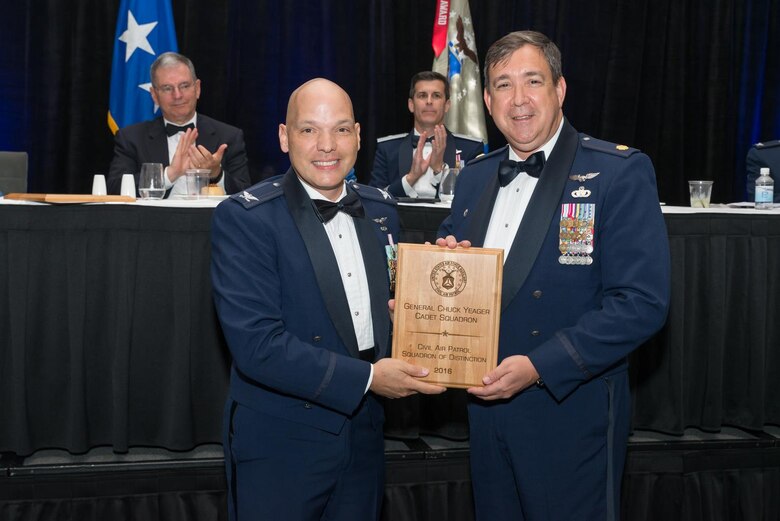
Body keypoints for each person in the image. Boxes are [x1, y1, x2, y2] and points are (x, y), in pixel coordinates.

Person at [437, 31, 671, 520]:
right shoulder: (476, 178)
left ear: (559, 90)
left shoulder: (617, 172)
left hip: (569, 410)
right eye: (502, 85)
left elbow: (641, 302)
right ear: (486, 99)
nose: (518, 99)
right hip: (484, 412)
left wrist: (541, 366)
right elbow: (451, 278)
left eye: (532, 81)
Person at [210, 78, 446, 521]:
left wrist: (445, 295)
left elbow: (394, 310)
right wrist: (369, 378)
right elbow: (257, 347)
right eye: (308, 130)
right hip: (282, 438)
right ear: (284, 137)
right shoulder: (247, 220)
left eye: (340, 130)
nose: (326, 145)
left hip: (365, 433)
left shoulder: (381, 211)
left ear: (358, 136)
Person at [108, 52, 251, 197]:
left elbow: (247, 195)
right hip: (153, 219)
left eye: (184, 86)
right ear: (154, 95)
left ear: (197, 88)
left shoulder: (229, 136)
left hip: (208, 219)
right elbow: (115, 189)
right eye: (167, 88)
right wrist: (170, 174)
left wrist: (216, 174)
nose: (177, 95)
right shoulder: (131, 138)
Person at [369, 71, 483, 198]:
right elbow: (374, 199)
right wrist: (411, 178)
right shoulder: (388, 149)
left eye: (436, 95)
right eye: (422, 95)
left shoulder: (470, 149)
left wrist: (440, 170)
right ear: (411, 105)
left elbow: (475, 199)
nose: (429, 101)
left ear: (447, 105)